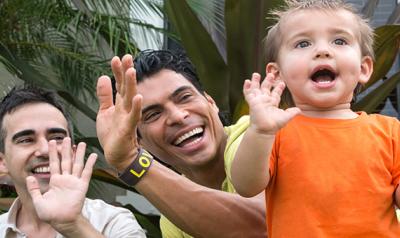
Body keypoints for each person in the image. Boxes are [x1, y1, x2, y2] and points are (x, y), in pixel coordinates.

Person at [230, 0, 400, 237]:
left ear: (363, 69)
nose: (322, 50)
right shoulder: (274, 131)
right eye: (303, 43)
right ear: (277, 73)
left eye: (339, 41)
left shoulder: (390, 132)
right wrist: (259, 133)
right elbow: (246, 186)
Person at [96, 50, 266, 237]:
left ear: (210, 101)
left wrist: (130, 162)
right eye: (153, 115)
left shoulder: (258, 136)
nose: (177, 116)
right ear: (139, 142)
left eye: (184, 97)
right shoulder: (172, 220)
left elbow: (263, 226)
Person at [0, 86, 146, 238]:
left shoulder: (113, 222)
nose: (45, 150)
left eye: (57, 137)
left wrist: (74, 225)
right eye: (26, 140)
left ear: (73, 152)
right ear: (2, 162)